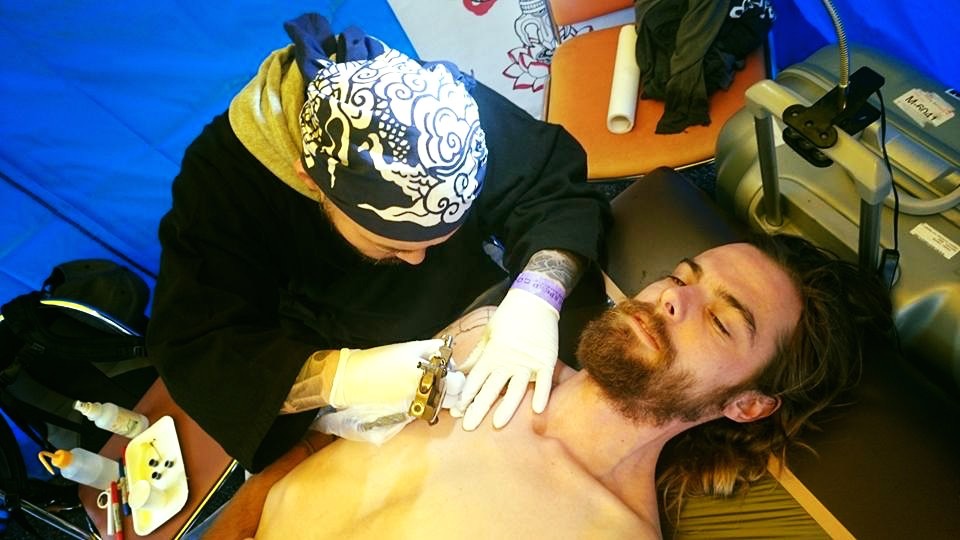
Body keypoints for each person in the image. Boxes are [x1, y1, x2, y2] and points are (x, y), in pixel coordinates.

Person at [146, 14, 611, 472]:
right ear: (311, 182)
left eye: (436, 239)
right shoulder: (220, 184)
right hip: (337, 345)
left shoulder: (429, 102)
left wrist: (536, 298)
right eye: (391, 245)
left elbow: (550, 184)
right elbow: (196, 347)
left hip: (478, 305)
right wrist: (343, 377)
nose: (416, 260)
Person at [199, 234, 895, 539]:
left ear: (746, 404)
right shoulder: (485, 339)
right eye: (683, 277)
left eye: (720, 320)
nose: (672, 299)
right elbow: (318, 449)